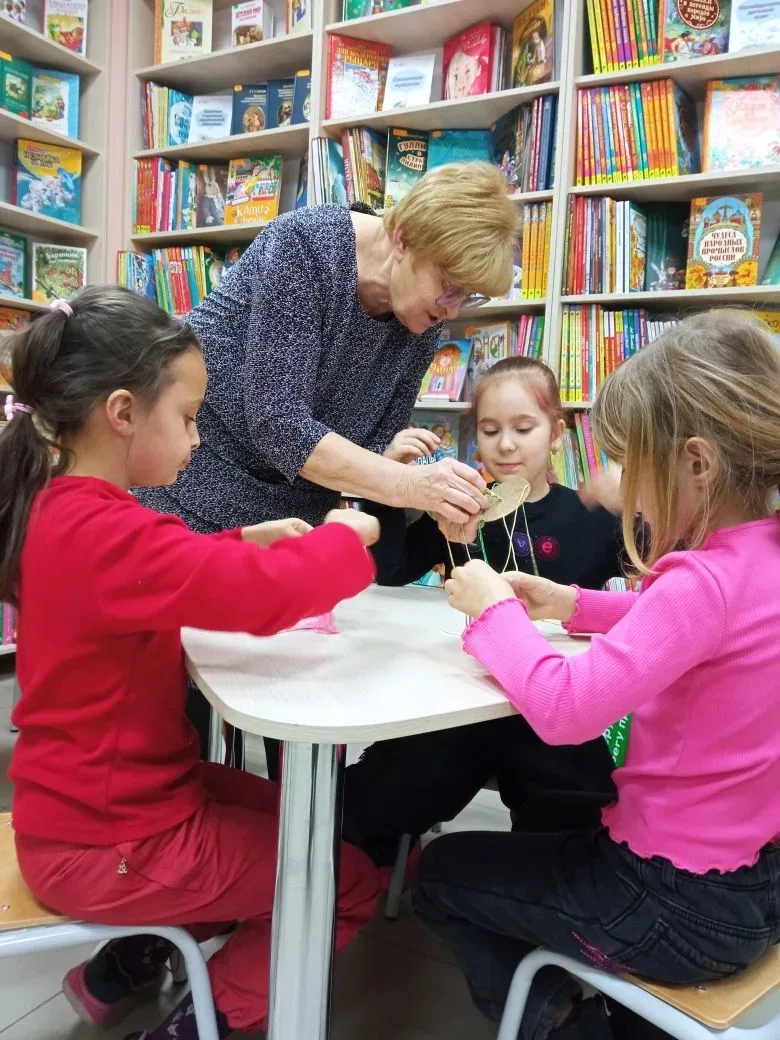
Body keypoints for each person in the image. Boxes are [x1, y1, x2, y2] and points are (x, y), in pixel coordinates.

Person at [0, 288, 382, 1040]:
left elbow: (160, 570)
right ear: (122, 413)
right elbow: (263, 596)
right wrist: (344, 539)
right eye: (187, 417)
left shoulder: (67, 509)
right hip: (109, 839)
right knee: (345, 883)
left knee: (307, 827)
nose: (197, 439)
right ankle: (194, 1025)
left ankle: (117, 974)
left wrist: (240, 540)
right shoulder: (101, 531)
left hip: (101, 807)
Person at [414, 310, 780, 1039]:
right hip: (754, 887)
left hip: (670, 903)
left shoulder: (700, 579)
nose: (622, 487)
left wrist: (493, 610)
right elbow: (697, 630)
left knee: (439, 873)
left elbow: (563, 707)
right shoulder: (760, 557)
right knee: (550, 817)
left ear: (697, 464)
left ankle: (559, 1022)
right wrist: (572, 603)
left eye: (630, 463)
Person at [135, 161, 516, 768]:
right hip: (189, 487)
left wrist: (437, 499)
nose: (451, 308)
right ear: (403, 238)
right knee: (176, 712)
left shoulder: (418, 322)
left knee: (299, 709)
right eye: (448, 284)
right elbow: (278, 421)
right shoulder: (306, 247)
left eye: (467, 296)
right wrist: (412, 485)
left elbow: (374, 440)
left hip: (288, 520)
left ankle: (286, 824)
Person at [343, 357, 625, 869]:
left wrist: (637, 501)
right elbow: (390, 571)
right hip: (459, 707)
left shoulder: (589, 515)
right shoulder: (459, 507)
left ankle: (521, 900)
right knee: (367, 807)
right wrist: (388, 489)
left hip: (551, 714)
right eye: (491, 431)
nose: (506, 445)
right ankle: (374, 880)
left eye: (524, 428)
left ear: (556, 434)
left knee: (582, 830)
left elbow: (665, 576)